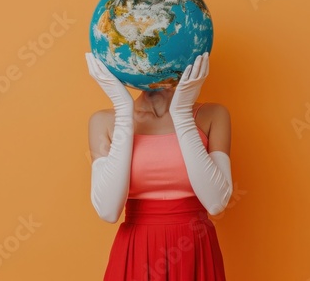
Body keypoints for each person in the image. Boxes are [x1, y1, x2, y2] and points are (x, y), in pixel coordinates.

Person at [86, 51, 233, 280]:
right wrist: (123, 111)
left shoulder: (213, 115)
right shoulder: (104, 121)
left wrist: (182, 113)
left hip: (195, 248)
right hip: (136, 250)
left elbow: (216, 203)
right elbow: (108, 210)